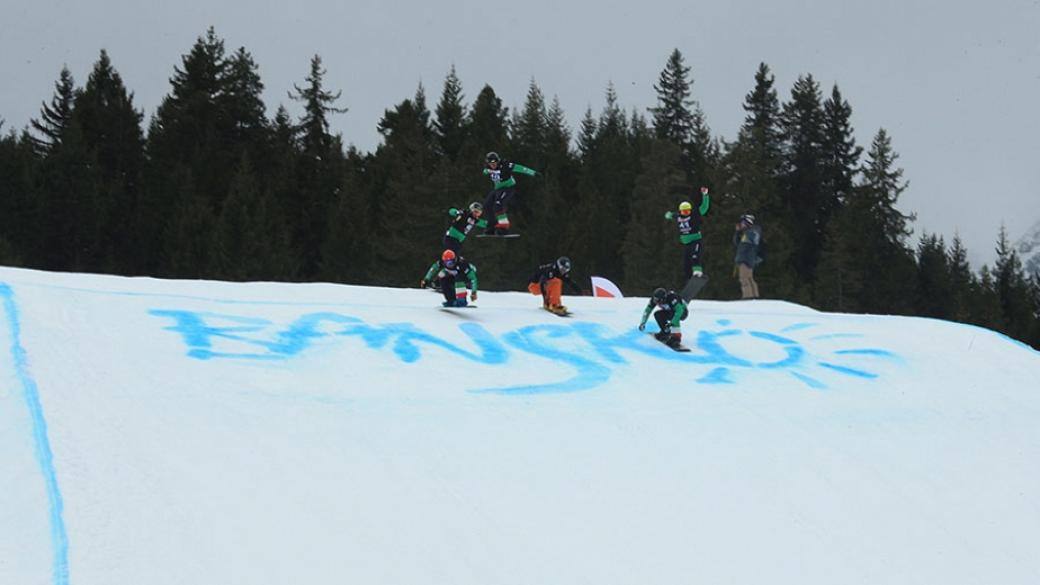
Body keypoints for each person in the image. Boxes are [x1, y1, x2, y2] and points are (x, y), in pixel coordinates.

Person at [482, 151, 538, 235]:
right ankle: (492, 226)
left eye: (494, 162)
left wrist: (533, 173)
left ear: (498, 161)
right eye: (490, 163)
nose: (492, 165)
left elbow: (519, 168)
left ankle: (504, 227)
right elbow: (485, 171)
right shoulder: (488, 167)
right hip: (497, 189)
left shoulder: (505, 165)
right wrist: (486, 171)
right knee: (487, 205)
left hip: (508, 187)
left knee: (498, 205)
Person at [664, 186, 711, 282]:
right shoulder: (678, 216)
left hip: (696, 240)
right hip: (686, 244)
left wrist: (705, 195)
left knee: (695, 256)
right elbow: (671, 215)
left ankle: (697, 272)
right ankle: (689, 279)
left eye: (688, 211)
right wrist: (668, 215)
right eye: (684, 211)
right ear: (680, 211)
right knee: (686, 263)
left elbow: (704, 207)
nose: (686, 213)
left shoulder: (694, 215)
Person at [733, 213, 762, 299]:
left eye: (742, 223)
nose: (741, 225)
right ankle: (754, 296)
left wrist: (743, 230)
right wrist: (738, 232)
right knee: (749, 278)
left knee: (744, 278)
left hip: (746, 259)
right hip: (745, 258)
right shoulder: (747, 233)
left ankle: (748, 297)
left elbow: (750, 240)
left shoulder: (753, 232)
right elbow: (738, 243)